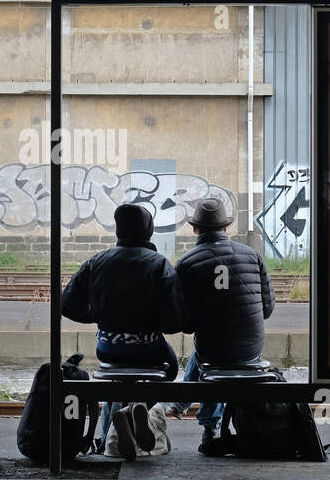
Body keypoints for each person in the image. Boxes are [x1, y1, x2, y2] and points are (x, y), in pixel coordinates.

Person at [60, 203, 183, 461]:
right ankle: (138, 410)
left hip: (109, 347)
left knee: (120, 378)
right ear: (148, 231)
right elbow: (174, 323)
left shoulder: (97, 261)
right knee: (170, 369)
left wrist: (99, 315)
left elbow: (67, 305)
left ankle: (115, 431)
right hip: (149, 348)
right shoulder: (159, 264)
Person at [171, 196, 276, 455]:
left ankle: (207, 424)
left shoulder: (185, 263)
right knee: (212, 349)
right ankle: (184, 406)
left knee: (209, 352)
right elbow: (268, 309)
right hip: (252, 348)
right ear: (226, 228)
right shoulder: (253, 256)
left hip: (213, 351)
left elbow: (184, 323)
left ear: (195, 229)